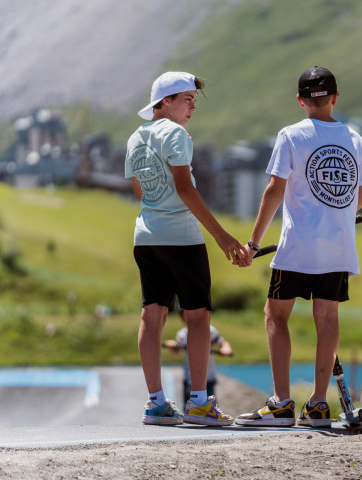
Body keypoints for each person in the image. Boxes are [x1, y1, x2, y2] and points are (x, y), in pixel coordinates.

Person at [234, 66, 362, 428]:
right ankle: (318, 407)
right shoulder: (354, 138)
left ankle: (281, 404)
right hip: (339, 248)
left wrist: (253, 243)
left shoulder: (291, 135)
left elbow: (274, 191)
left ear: (300, 101)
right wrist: (337, 213)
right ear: (335, 98)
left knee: (275, 314)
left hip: (297, 247)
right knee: (327, 320)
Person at [126, 71, 247, 426]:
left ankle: (155, 403)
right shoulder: (176, 134)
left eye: (194, 101)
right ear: (164, 102)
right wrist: (224, 237)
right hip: (181, 237)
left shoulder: (136, 137)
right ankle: (198, 402)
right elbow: (186, 189)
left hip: (146, 237)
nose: (192, 107)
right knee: (197, 315)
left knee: (152, 314)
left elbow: (139, 191)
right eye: (187, 100)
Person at [163, 308, 233, 406]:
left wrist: (226, 349)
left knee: (211, 404)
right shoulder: (182, 334)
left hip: (209, 377)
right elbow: (176, 353)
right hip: (189, 378)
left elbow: (223, 343)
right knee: (188, 405)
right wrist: (173, 347)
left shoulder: (210, 330)